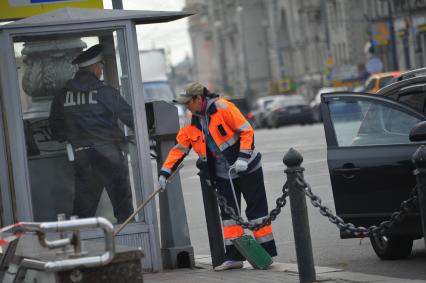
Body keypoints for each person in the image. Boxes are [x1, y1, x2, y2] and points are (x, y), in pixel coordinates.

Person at [158, 82, 277, 271]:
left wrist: (243, 157)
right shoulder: (192, 122)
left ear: (199, 99)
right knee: (229, 218)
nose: (186, 107)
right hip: (223, 174)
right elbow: (179, 149)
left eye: (188, 102)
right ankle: (234, 257)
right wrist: (165, 172)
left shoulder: (223, 108)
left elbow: (246, 131)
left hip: (247, 168)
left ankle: (265, 254)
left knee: (256, 213)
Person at [49, 44, 134, 224]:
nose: (102, 71)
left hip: (83, 158)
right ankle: (128, 245)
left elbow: (56, 132)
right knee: (124, 210)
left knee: (83, 214)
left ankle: (82, 249)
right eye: (101, 67)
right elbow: (134, 120)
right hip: (111, 156)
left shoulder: (63, 96)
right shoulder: (106, 93)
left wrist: (75, 135)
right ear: (95, 68)